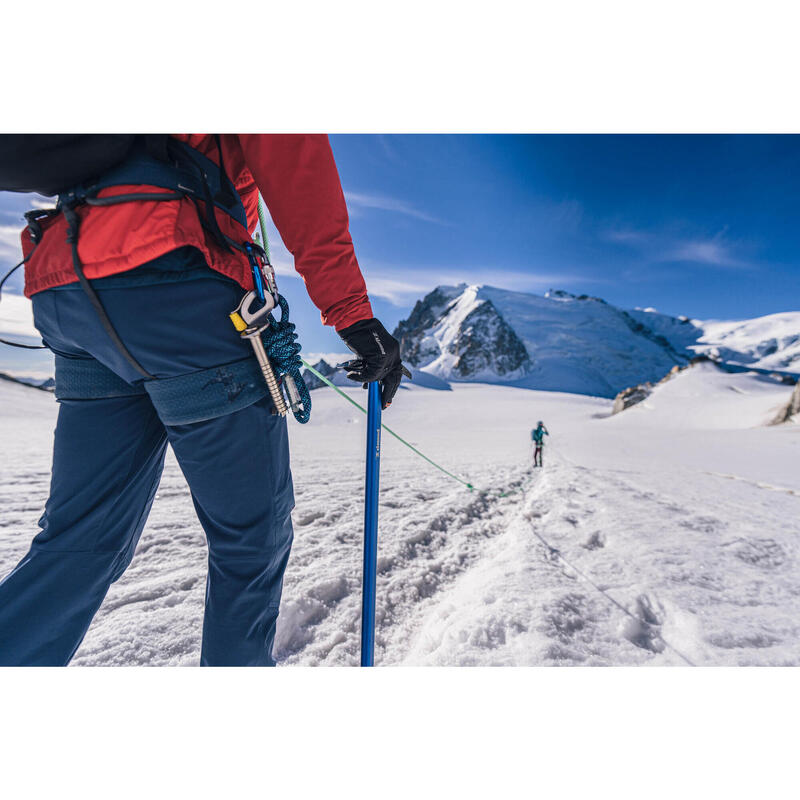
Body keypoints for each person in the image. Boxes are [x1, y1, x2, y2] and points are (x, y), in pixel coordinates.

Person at [0, 134, 409, 666]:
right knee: (250, 543)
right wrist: (352, 313)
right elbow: (297, 170)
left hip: (70, 287)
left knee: (80, 536)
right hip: (179, 282)